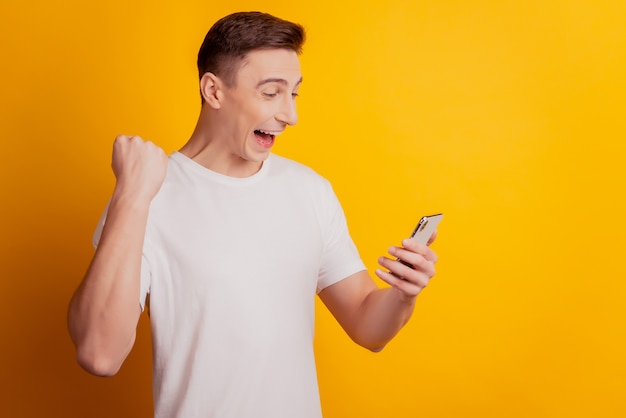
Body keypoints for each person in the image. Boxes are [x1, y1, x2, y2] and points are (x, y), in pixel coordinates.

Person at [68, 11, 439, 418]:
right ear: (213, 90)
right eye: (271, 93)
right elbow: (99, 354)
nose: (290, 115)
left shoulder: (310, 190)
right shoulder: (146, 194)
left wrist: (403, 295)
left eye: (293, 93)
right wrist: (132, 196)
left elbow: (368, 327)